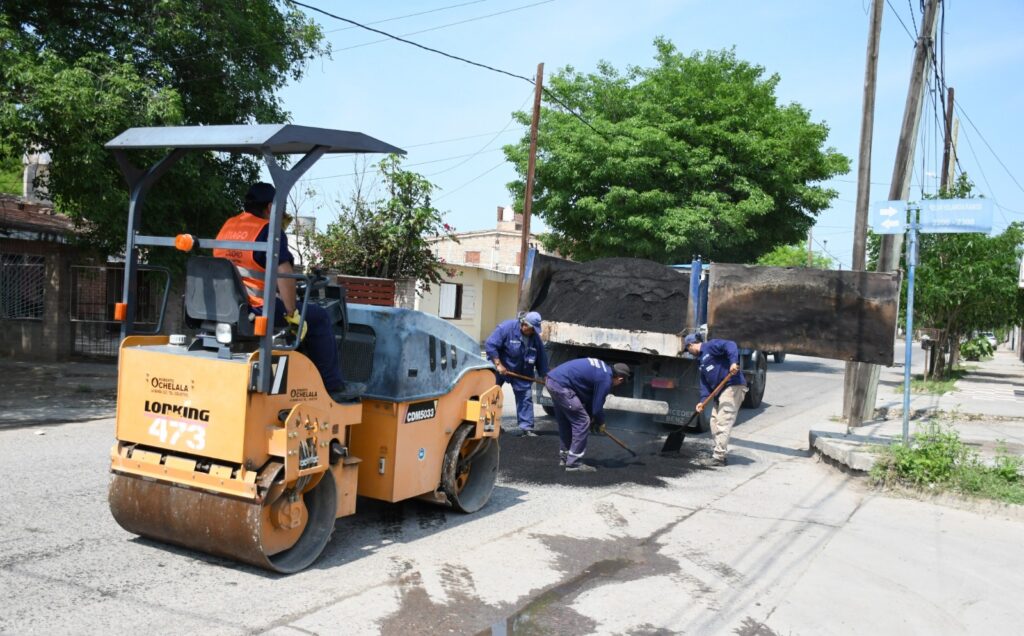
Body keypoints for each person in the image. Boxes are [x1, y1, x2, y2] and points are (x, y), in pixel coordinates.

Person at [214, 183, 345, 398]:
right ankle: (333, 387)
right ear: (269, 208)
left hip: (227, 307)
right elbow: (284, 272)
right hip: (256, 309)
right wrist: (292, 313)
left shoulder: (229, 226)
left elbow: (246, 270)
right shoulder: (269, 231)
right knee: (318, 317)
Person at [544, 358, 631, 472]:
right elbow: (597, 408)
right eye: (622, 382)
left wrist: (592, 419)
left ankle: (565, 457)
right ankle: (574, 463)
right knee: (582, 421)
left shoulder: (603, 370)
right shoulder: (605, 380)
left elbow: (591, 401)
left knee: (566, 420)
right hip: (562, 386)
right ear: (620, 378)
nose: (619, 385)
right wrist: (601, 422)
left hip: (553, 380)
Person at [683, 333, 748, 466]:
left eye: (688, 349)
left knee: (723, 422)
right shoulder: (701, 361)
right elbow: (705, 384)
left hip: (732, 386)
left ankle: (719, 457)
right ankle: (719, 452)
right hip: (720, 392)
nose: (689, 353)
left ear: (691, 345)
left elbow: (731, 345)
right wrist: (702, 401)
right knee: (714, 422)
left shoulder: (710, 346)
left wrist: (733, 363)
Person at [485, 311, 548, 436]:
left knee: (525, 397)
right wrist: (498, 364)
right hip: (501, 368)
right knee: (492, 396)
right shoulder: (506, 328)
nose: (532, 332)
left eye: (534, 330)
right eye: (531, 329)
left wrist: (545, 375)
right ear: (523, 324)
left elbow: (541, 357)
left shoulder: (535, 337)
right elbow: (490, 345)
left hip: (522, 371)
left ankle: (527, 428)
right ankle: (489, 426)